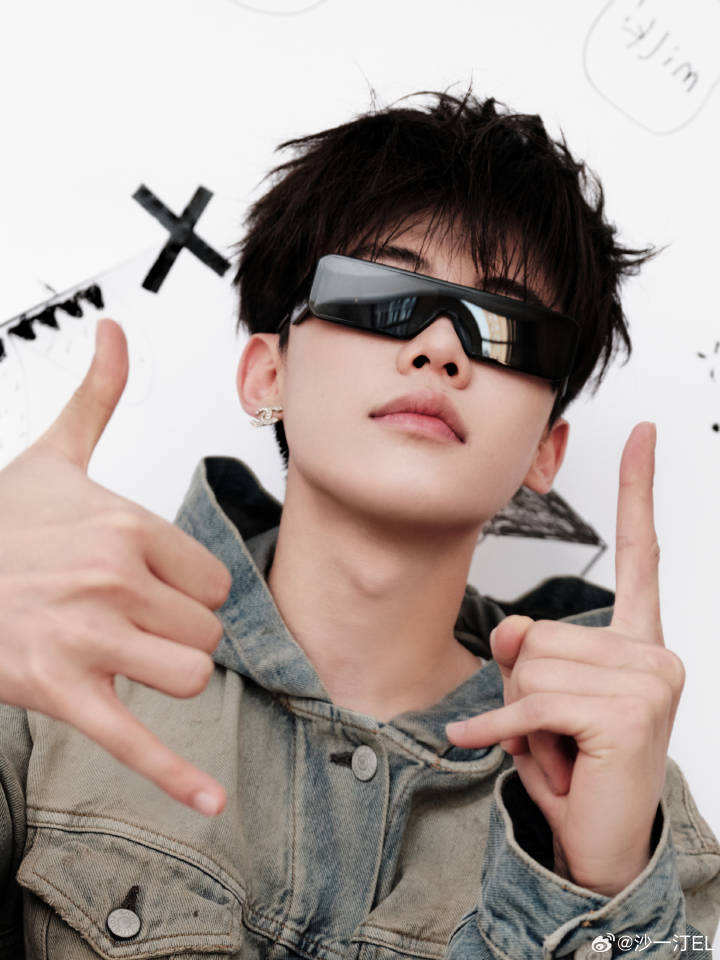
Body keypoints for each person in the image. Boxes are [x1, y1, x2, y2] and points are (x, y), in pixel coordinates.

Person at [1, 87, 718, 960]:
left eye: (503, 326)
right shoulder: (54, 651)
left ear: (545, 452)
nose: (439, 349)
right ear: (267, 374)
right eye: (379, 292)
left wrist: (601, 890)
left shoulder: (625, 794)